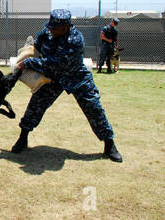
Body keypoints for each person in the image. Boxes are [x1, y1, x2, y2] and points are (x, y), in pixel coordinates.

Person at [11, 9, 123, 162]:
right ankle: (22, 138)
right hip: (53, 78)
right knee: (36, 105)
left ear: (65, 27)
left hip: (75, 76)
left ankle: (109, 144)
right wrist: (26, 55)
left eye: (54, 28)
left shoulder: (75, 39)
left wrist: (30, 63)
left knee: (93, 107)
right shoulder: (47, 33)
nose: (50, 30)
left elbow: (57, 64)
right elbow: (36, 48)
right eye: (49, 26)